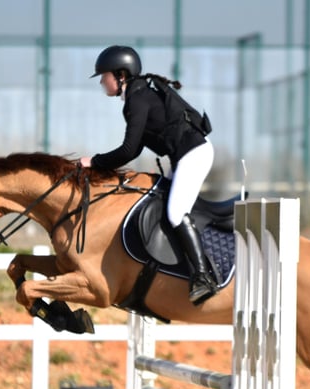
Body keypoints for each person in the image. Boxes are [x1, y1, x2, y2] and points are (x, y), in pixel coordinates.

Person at [79, 45, 218, 305]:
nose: (101, 81)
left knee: (176, 213)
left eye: (104, 75)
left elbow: (129, 149)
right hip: (186, 155)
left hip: (194, 154)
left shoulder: (137, 98)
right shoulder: (138, 96)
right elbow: (135, 149)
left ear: (120, 75)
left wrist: (94, 162)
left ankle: (203, 277)